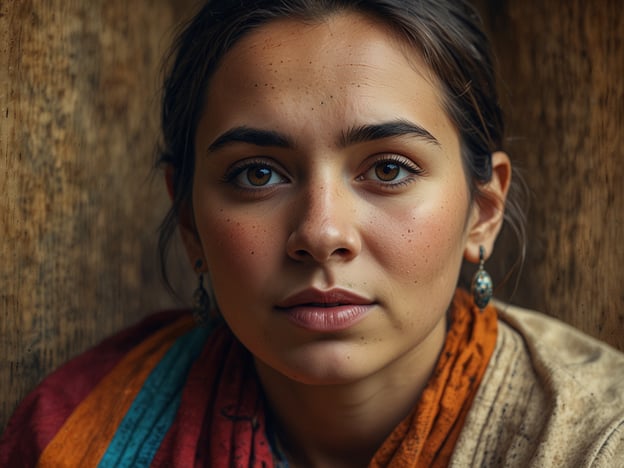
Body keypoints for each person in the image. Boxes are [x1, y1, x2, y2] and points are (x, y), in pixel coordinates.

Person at [1, 0, 623, 466]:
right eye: (258, 173)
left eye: (388, 169)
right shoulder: (75, 436)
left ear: (483, 211)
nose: (321, 233)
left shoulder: (595, 442)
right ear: (190, 222)